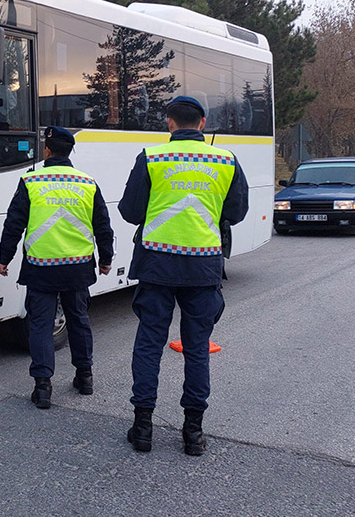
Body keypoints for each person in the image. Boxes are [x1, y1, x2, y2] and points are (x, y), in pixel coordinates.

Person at [117, 95, 248, 455]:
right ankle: (193, 433)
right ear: (202, 124)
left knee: (148, 344)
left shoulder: (152, 157)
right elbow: (236, 213)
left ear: (169, 123)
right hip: (203, 265)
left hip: (156, 264)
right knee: (196, 349)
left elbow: (130, 211)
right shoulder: (226, 160)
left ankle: (142, 427)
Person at [0, 126, 115, 409]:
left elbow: (14, 223)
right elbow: (102, 225)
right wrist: (106, 258)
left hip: (41, 266)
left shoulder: (31, 181)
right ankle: (84, 377)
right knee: (79, 320)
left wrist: (5, 258)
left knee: (40, 325)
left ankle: (42, 387)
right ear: (70, 151)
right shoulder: (88, 183)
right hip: (77, 267)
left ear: (47, 150)